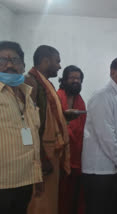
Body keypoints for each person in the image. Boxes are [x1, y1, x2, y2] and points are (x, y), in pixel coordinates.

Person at [81, 57, 117, 214]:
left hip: (115, 168)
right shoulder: (102, 96)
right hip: (100, 170)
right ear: (112, 72)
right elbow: (105, 134)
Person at [25, 45, 70, 214]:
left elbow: (46, 116)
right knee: (39, 203)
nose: (59, 66)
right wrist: (40, 157)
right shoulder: (31, 82)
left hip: (51, 153)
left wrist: (63, 116)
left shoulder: (46, 83)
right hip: (41, 156)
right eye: (57, 61)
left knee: (49, 202)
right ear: (45, 61)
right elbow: (27, 125)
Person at [0, 41, 42, 214]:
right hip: (3, 183)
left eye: (15, 60)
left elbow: (33, 134)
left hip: (25, 179)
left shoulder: (28, 94)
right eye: (2, 60)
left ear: (23, 66)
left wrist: (36, 174)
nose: (10, 64)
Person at [57, 65, 86, 214]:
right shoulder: (57, 97)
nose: (75, 81)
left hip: (78, 156)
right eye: (72, 78)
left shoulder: (80, 100)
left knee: (76, 196)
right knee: (61, 196)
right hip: (60, 155)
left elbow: (84, 127)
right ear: (64, 79)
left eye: (78, 78)